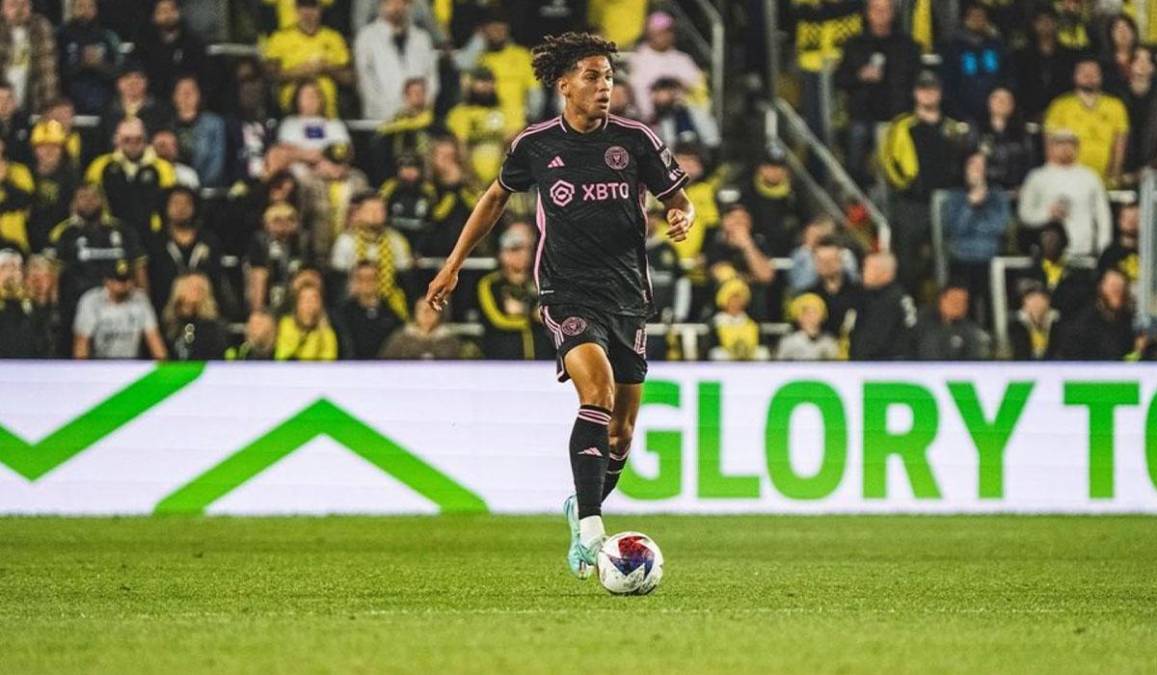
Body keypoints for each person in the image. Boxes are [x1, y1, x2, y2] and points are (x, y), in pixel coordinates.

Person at [425, 32, 694, 579]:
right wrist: (452, 263)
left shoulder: (636, 140)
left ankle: (581, 506)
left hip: (628, 296)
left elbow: (679, 199)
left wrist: (681, 214)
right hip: (566, 291)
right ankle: (593, 530)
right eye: (592, 77)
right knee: (597, 392)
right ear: (564, 84)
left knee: (621, 433)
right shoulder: (536, 145)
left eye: (609, 77)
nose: (604, 86)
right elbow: (494, 198)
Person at [879, 70, 970, 293]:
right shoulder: (903, 125)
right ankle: (910, 303)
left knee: (950, 259)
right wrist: (906, 184)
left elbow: (963, 161)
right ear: (915, 93)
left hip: (947, 202)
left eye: (932, 89)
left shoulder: (952, 128)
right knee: (908, 261)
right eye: (923, 89)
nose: (928, 94)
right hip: (913, 204)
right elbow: (888, 159)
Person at [834, 0, 921, 187]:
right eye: (876, 9)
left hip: (899, 114)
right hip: (863, 114)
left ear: (893, 13)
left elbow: (917, 80)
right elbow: (840, 79)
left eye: (885, 9)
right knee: (856, 138)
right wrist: (860, 76)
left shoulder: (907, 46)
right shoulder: (854, 44)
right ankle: (857, 194)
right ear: (868, 13)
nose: (880, 14)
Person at [1017, 129, 1111, 257]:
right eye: (1060, 143)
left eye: (1070, 143)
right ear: (1051, 147)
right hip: (1047, 254)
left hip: (1083, 251)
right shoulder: (1037, 177)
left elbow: (1103, 215)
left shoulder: (1090, 177)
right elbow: (1025, 215)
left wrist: (1103, 248)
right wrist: (1047, 214)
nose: (1065, 148)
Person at [943, 152, 1010, 322]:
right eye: (973, 165)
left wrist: (975, 223)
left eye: (981, 166)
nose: (977, 171)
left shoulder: (997, 196)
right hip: (962, 257)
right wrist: (969, 205)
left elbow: (999, 227)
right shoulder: (955, 196)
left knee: (992, 299)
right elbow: (955, 228)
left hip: (990, 257)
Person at [329, 190, 412, 321]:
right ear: (358, 213)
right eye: (369, 210)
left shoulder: (397, 241)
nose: (374, 215)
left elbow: (406, 279)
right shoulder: (346, 242)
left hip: (389, 307)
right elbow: (338, 282)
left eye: (379, 210)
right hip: (352, 307)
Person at [1044, 58, 1130, 183]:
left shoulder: (1116, 106)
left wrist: (1115, 174)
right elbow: (1050, 144)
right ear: (1074, 76)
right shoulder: (1060, 106)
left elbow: (1120, 143)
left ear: (1101, 76)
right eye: (1083, 71)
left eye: (1094, 72)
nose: (1089, 76)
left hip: (1105, 180)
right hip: (1069, 179)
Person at [262, 0, 353, 119]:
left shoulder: (334, 38)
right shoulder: (280, 38)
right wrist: (299, 72)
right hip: (291, 116)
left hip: (328, 116)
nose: (308, 12)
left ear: (320, 9)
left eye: (312, 7)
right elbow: (270, 76)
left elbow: (350, 78)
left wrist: (326, 68)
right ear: (296, 10)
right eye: (303, 7)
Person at [456, 9, 539, 133]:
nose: (498, 33)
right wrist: (478, 39)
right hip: (480, 125)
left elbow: (535, 91)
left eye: (501, 29)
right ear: (484, 30)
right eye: (493, 29)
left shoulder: (521, 55)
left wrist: (532, 119)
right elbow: (460, 65)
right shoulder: (477, 56)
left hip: (515, 125)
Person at [354, 0, 438, 121]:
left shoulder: (422, 38)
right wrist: (397, 111)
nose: (397, 6)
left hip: (420, 117)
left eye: (403, 2)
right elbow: (366, 84)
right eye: (391, 2)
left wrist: (423, 105)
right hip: (381, 119)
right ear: (381, 5)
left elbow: (432, 78)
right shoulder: (366, 37)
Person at [146, 186, 223, 314]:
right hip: (165, 308)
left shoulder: (209, 240)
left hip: (205, 308)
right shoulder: (155, 242)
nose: (181, 208)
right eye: (176, 203)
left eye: (186, 203)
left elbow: (216, 277)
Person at [73, 258, 166, 359]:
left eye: (127, 279)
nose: (124, 284)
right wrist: (82, 367)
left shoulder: (140, 299)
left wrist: (163, 365)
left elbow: (153, 338)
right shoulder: (92, 300)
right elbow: (82, 343)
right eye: (119, 280)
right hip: (99, 364)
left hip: (131, 363)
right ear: (107, 281)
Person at [626, 11, 706, 122]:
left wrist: (674, 91)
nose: (664, 37)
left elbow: (697, 89)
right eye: (659, 33)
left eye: (668, 32)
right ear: (649, 34)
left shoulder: (683, 59)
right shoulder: (638, 59)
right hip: (647, 118)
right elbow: (637, 89)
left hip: (683, 114)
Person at [477, 225, 540, 360]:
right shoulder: (490, 283)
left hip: (541, 359)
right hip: (504, 359)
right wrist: (531, 316)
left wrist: (524, 312)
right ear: (502, 253)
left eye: (526, 249)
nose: (522, 255)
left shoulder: (539, 281)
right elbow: (497, 320)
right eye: (515, 250)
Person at [941, 2, 1010, 123]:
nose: (977, 19)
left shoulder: (997, 46)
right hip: (963, 114)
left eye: (981, 16)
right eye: (973, 16)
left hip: (995, 114)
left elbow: (1007, 76)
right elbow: (948, 83)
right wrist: (957, 113)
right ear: (965, 19)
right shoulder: (954, 48)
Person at [299, 141, 370, 258]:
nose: (339, 168)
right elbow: (302, 217)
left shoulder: (358, 181)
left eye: (343, 163)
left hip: (350, 247)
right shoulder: (309, 183)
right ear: (323, 161)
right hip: (317, 248)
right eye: (333, 163)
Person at [445, 66, 508, 186]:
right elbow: (461, 148)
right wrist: (471, 177)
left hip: (503, 181)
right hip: (470, 181)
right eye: (480, 81)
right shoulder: (460, 113)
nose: (485, 86)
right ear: (471, 85)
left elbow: (510, 144)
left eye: (489, 81)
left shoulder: (505, 110)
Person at [1054, 268, 1136, 360]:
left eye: (1121, 288)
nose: (1118, 293)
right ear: (1100, 287)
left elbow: (1128, 359)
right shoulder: (1083, 325)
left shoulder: (1127, 323)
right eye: (1113, 287)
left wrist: (1138, 350)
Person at [1012, 5, 1078, 121]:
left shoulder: (1070, 56)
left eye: (1050, 20)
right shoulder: (1020, 56)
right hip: (1028, 115)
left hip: (1064, 115)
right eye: (1041, 20)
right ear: (1034, 25)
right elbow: (1018, 86)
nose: (1046, 24)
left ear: (1056, 23)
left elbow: (1072, 87)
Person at [56, 0, 121, 115]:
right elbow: (57, 72)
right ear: (72, 9)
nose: (85, 10)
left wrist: (99, 64)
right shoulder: (61, 36)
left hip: (103, 100)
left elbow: (117, 72)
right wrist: (81, 62)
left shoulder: (107, 36)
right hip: (69, 100)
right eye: (80, 6)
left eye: (90, 6)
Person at [132, 0, 206, 100]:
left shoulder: (193, 43)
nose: (168, 15)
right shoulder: (143, 44)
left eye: (172, 9)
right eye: (163, 11)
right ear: (154, 17)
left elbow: (200, 76)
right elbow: (138, 74)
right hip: (152, 100)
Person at [848, 251, 916, 360]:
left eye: (867, 267)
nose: (863, 272)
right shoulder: (889, 295)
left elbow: (873, 342)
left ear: (884, 273)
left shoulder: (890, 301)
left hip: (886, 365)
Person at [371, 77, 435, 185]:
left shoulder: (434, 118)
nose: (418, 95)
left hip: (428, 169)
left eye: (421, 92)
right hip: (401, 169)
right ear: (405, 96)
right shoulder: (396, 120)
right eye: (413, 92)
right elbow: (381, 133)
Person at [97, 61, 173, 149]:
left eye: (138, 78)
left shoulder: (160, 110)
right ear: (118, 83)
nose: (133, 82)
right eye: (127, 77)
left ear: (146, 82)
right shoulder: (107, 110)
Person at [27, 119, 77, 253]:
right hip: (29, 240)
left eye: (55, 146)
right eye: (43, 146)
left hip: (61, 242)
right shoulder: (24, 174)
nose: (49, 151)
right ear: (34, 150)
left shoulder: (72, 178)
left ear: (62, 149)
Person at [334, 260, 401, 359]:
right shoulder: (342, 315)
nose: (367, 283)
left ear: (379, 281)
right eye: (361, 278)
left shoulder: (391, 315)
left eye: (371, 278)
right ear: (354, 282)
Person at [0, 0, 57, 113]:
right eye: (13, 5)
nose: (19, 10)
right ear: (2, 8)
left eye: (24, 4)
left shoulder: (40, 27)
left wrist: (49, 105)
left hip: (31, 100)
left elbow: (47, 72)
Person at [275, 79, 351, 161]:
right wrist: (307, 156)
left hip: (330, 165)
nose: (311, 98)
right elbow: (284, 152)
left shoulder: (334, 124)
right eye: (306, 95)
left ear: (321, 99)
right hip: (297, 166)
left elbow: (345, 151)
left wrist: (326, 162)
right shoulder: (289, 124)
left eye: (315, 94)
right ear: (297, 99)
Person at [170, 76, 225, 188]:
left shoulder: (214, 124)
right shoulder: (167, 125)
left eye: (191, 90)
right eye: (182, 91)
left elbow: (216, 162)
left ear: (199, 95)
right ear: (174, 97)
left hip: (204, 186)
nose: (186, 95)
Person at [912, 283, 991, 360]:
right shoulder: (922, 322)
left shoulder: (970, 331)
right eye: (954, 300)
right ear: (942, 300)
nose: (958, 305)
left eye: (963, 302)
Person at [978, 87, 1036, 190]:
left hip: (1015, 190)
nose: (1001, 102)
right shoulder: (977, 131)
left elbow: (1030, 163)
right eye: (996, 98)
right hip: (985, 190)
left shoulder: (1023, 134)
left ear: (1012, 105)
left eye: (1006, 99)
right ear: (989, 102)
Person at [161, 272, 227, 360]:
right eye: (191, 286)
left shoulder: (212, 326)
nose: (196, 291)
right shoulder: (169, 323)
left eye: (200, 288)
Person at [806, 235, 862, 339]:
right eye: (821, 261)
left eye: (831, 260)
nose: (826, 265)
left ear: (841, 260)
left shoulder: (859, 293)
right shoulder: (808, 296)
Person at [379, 152, 436, 251]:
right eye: (404, 167)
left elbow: (434, 217)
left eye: (413, 167)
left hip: (421, 241)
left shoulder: (428, 190)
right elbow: (381, 209)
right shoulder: (390, 187)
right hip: (394, 240)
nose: (409, 172)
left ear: (420, 170)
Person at [646, 76, 720, 152]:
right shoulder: (658, 119)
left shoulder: (694, 115)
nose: (655, 98)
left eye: (660, 93)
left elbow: (712, 142)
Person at [707, 276, 769, 361]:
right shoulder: (716, 323)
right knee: (718, 354)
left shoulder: (751, 322)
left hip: (749, 359)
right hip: (727, 362)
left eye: (739, 298)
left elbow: (761, 343)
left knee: (762, 352)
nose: (736, 302)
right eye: (733, 299)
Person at [380, 296, 461, 359]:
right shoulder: (400, 340)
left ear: (439, 314)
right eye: (422, 309)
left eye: (431, 309)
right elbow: (384, 365)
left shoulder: (450, 341)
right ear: (415, 313)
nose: (426, 314)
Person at [274, 280, 338, 360]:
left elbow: (329, 360)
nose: (309, 304)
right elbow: (283, 356)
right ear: (297, 304)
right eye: (304, 299)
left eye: (314, 300)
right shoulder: (286, 324)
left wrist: (323, 331)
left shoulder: (326, 332)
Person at [776, 292, 839, 361]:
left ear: (822, 316)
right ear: (798, 318)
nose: (811, 318)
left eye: (815, 313)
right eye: (807, 314)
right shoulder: (788, 342)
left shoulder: (829, 342)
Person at [1007, 281, 1059, 360]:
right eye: (1031, 298)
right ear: (1024, 303)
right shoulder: (1015, 325)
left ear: (1048, 302)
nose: (1036, 303)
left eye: (1041, 298)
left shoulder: (1058, 323)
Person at [1097, 202, 1140, 290]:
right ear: (1119, 221)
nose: (1131, 222)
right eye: (1127, 218)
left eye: (1136, 218)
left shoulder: (1150, 253)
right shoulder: (1110, 254)